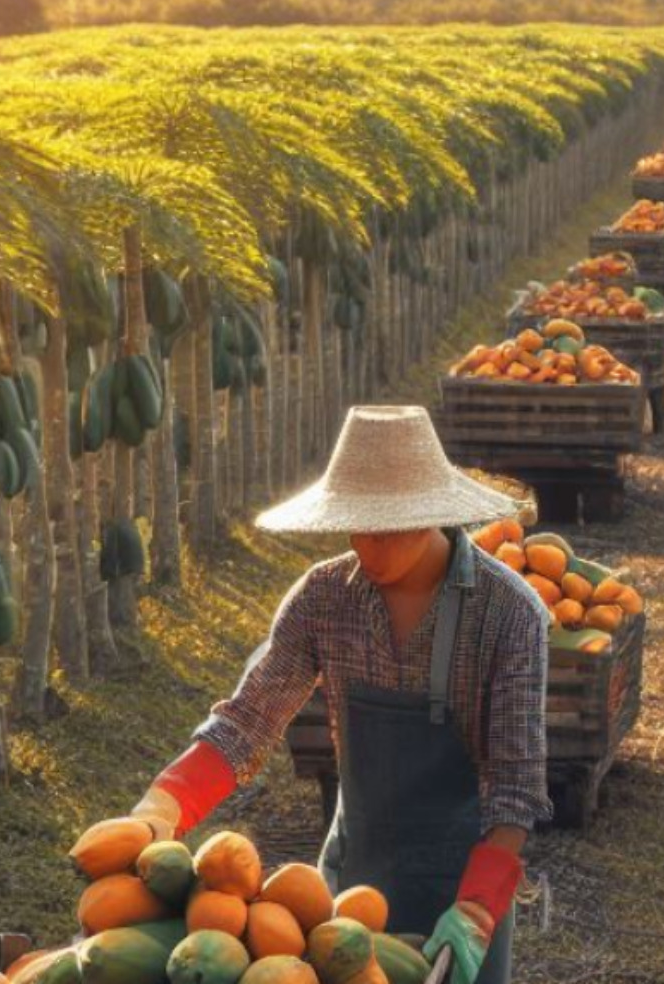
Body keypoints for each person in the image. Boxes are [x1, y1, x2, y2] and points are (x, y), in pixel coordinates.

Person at [95, 406, 550, 984]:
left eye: (388, 527)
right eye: (357, 524)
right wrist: (161, 808)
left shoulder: (509, 614)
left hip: (463, 887)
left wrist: (477, 910)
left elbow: (515, 789)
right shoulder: (323, 598)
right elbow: (247, 724)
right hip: (349, 883)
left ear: (432, 515)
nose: (369, 546)